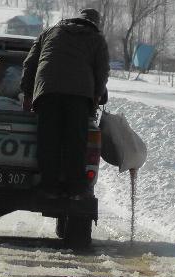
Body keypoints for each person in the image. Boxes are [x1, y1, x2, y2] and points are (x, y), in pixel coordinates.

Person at [20, 8, 110, 198]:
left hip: (47, 92)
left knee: (48, 139)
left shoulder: (50, 32)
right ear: (95, 23)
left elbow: (30, 63)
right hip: (79, 97)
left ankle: (48, 185)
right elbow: (102, 72)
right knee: (76, 142)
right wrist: (96, 97)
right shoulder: (96, 38)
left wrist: (28, 94)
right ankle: (75, 187)